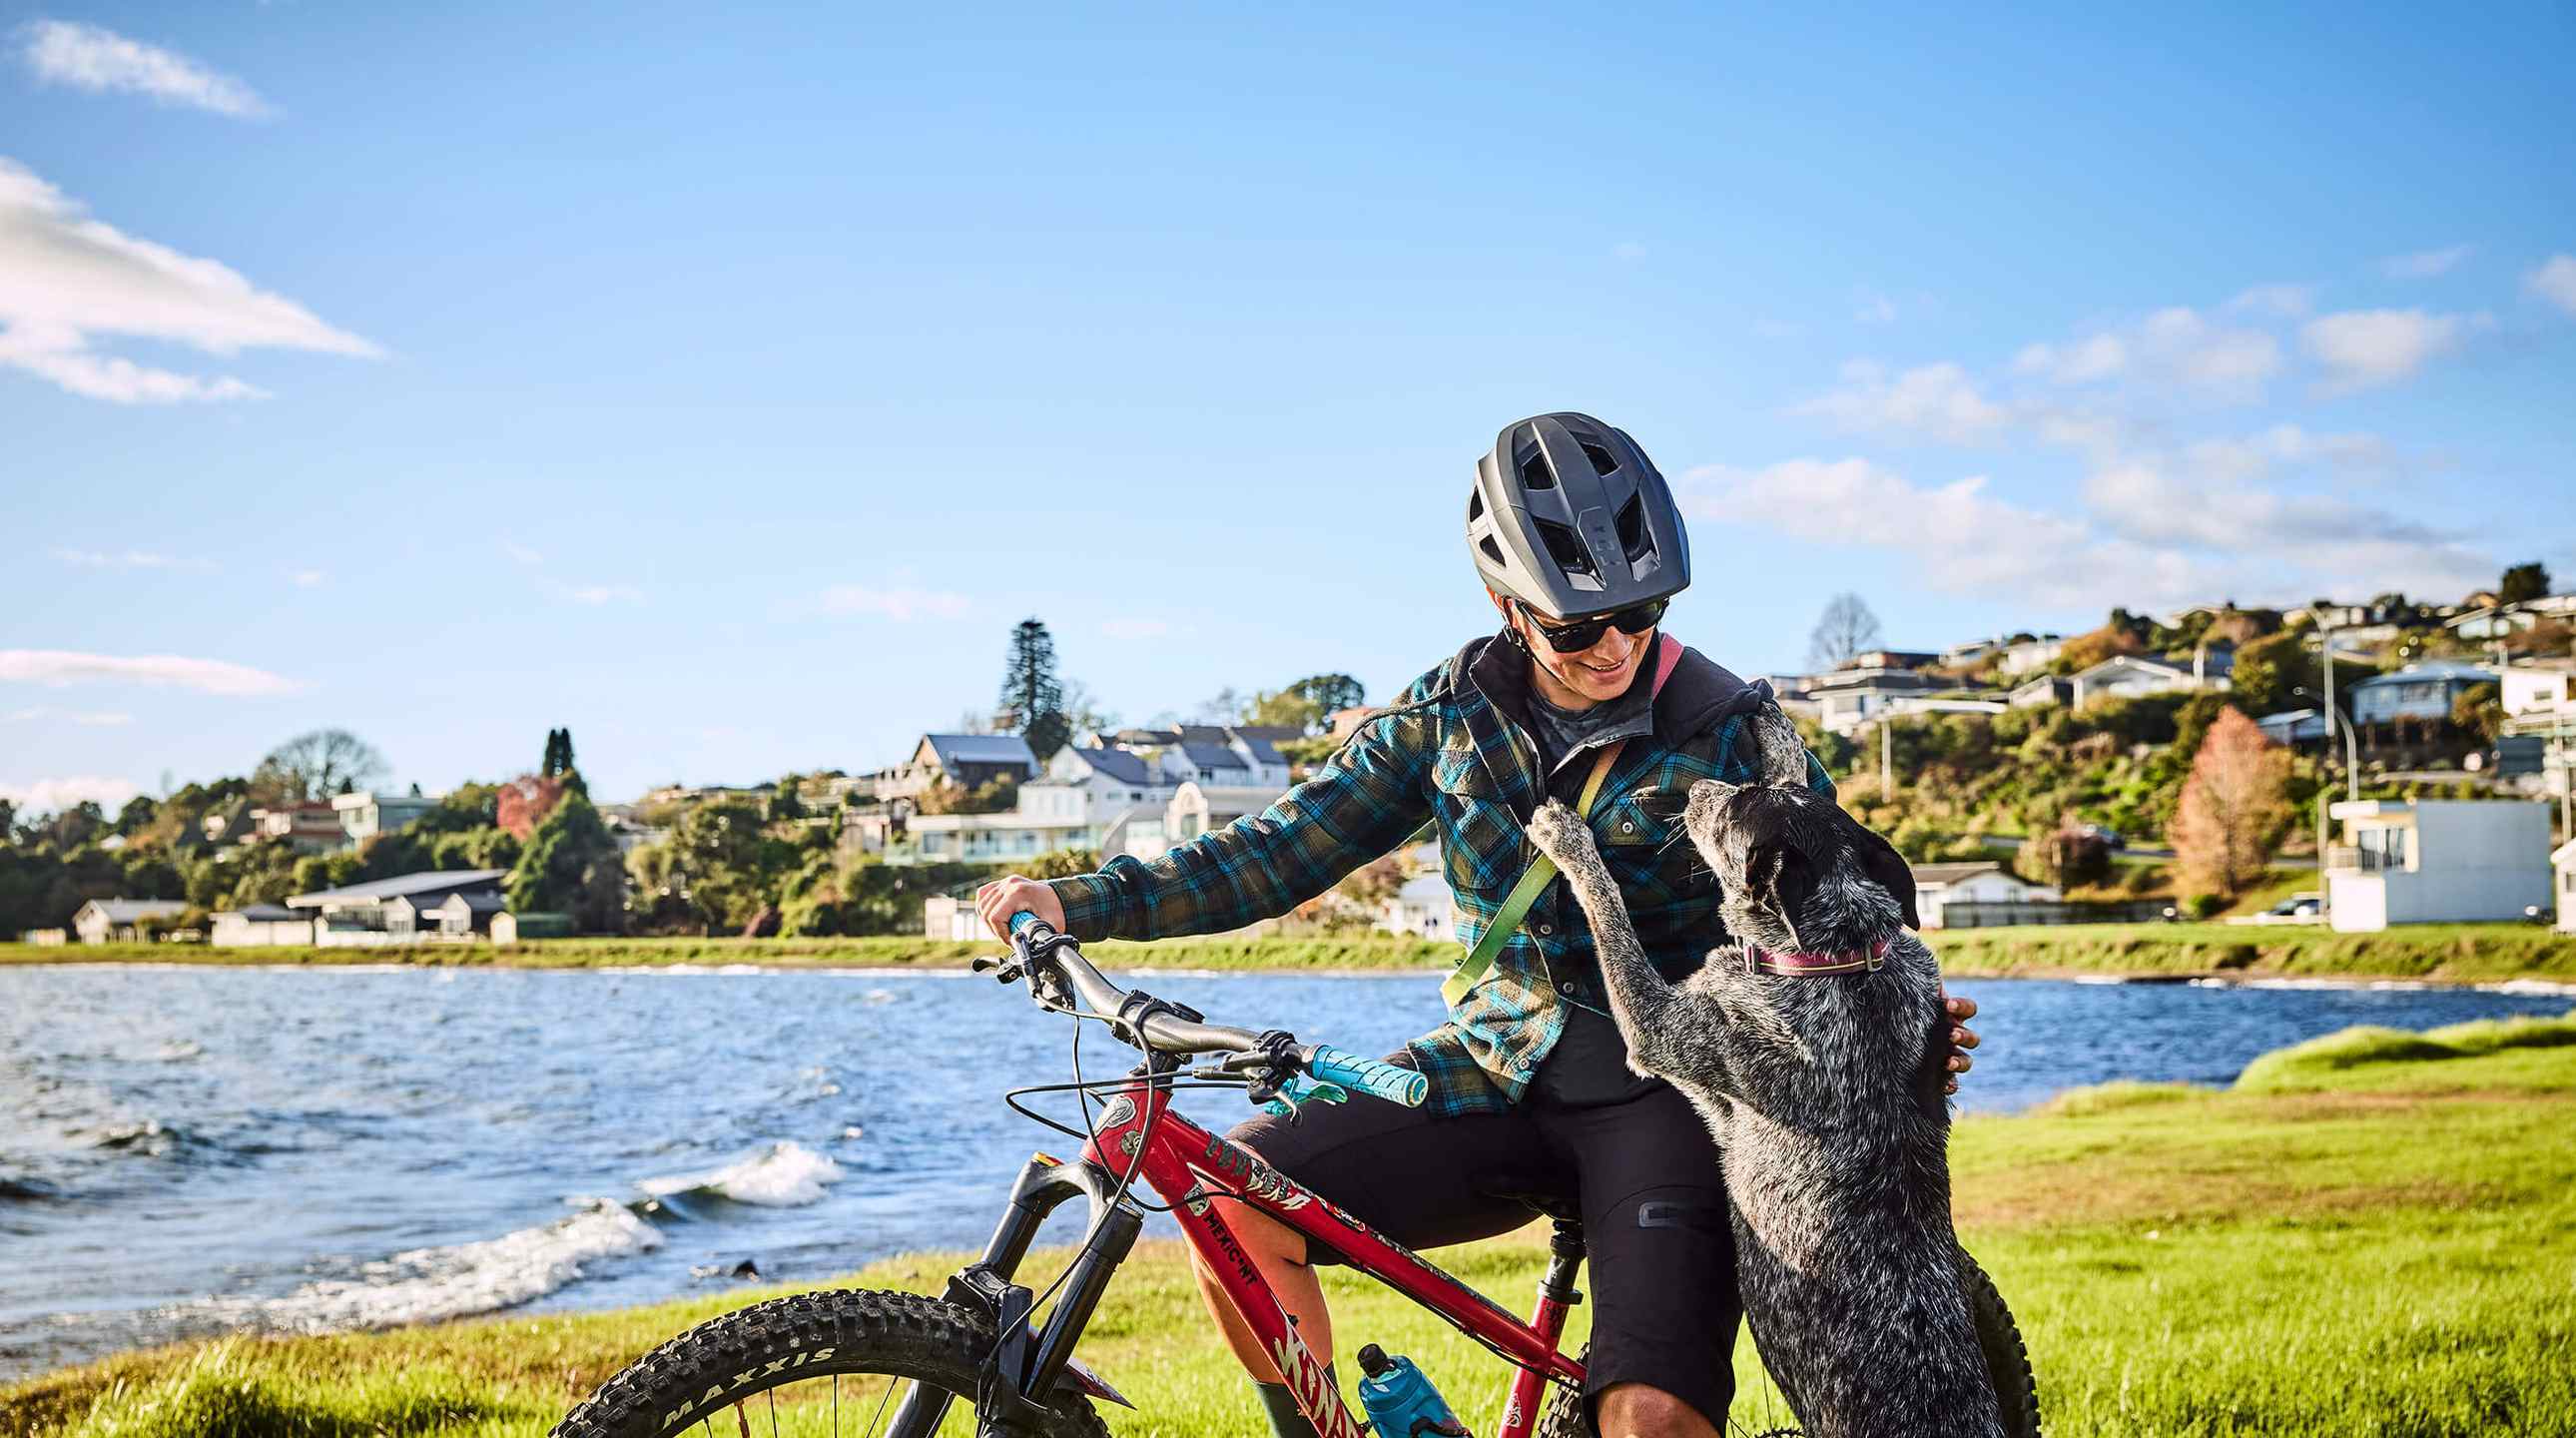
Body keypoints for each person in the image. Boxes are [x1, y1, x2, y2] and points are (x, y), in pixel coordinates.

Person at [977, 412, 1982, 1438]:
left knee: (1648, 1418)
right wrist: (1076, 901)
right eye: (1576, 627)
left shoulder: (1732, 728)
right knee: (1231, 1200)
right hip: (1487, 1068)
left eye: (1641, 613)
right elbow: (1284, 850)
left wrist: (1908, 1032)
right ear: (1507, 604)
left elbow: (1844, 908)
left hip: (1665, 1103)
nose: (1617, 647)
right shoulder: (1445, 716)